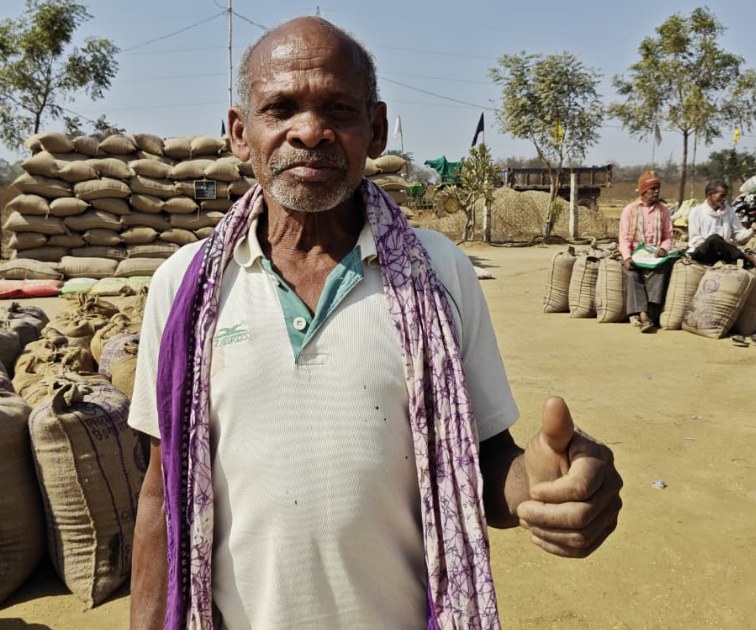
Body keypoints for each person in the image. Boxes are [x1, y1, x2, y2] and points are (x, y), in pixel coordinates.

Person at [128, 17, 622, 630]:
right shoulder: (185, 288)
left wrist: (545, 483)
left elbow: (484, 466)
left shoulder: (438, 273)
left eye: (338, 107)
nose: (310, 130)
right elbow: (160, 495)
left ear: (377, 129)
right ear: (239, 133)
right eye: (279, 108)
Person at [618, 171, 674, 333]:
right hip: (635, 254)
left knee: (661, 271)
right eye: (652, 189)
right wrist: (627, 258)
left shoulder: (663, 210)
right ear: (643, 191)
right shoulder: (630, 210)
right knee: (633, 275)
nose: (656, 192)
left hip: (655, 255)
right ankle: (643, 315)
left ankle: (650, 311)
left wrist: (664, 248)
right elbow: (624, 238)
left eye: (657, 189)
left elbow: (668, 236)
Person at [687, 180, 756, 268]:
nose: (725, 199)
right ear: (710, 195)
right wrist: (722, 243)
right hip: (701, 253)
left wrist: (752, 229)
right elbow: (695, 240)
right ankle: (749, 258)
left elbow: (738, 236)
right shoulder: (696, 212)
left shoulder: (729, 211)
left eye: (726, 196)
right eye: (722, 196)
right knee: (714, 239)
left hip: (723, 252)